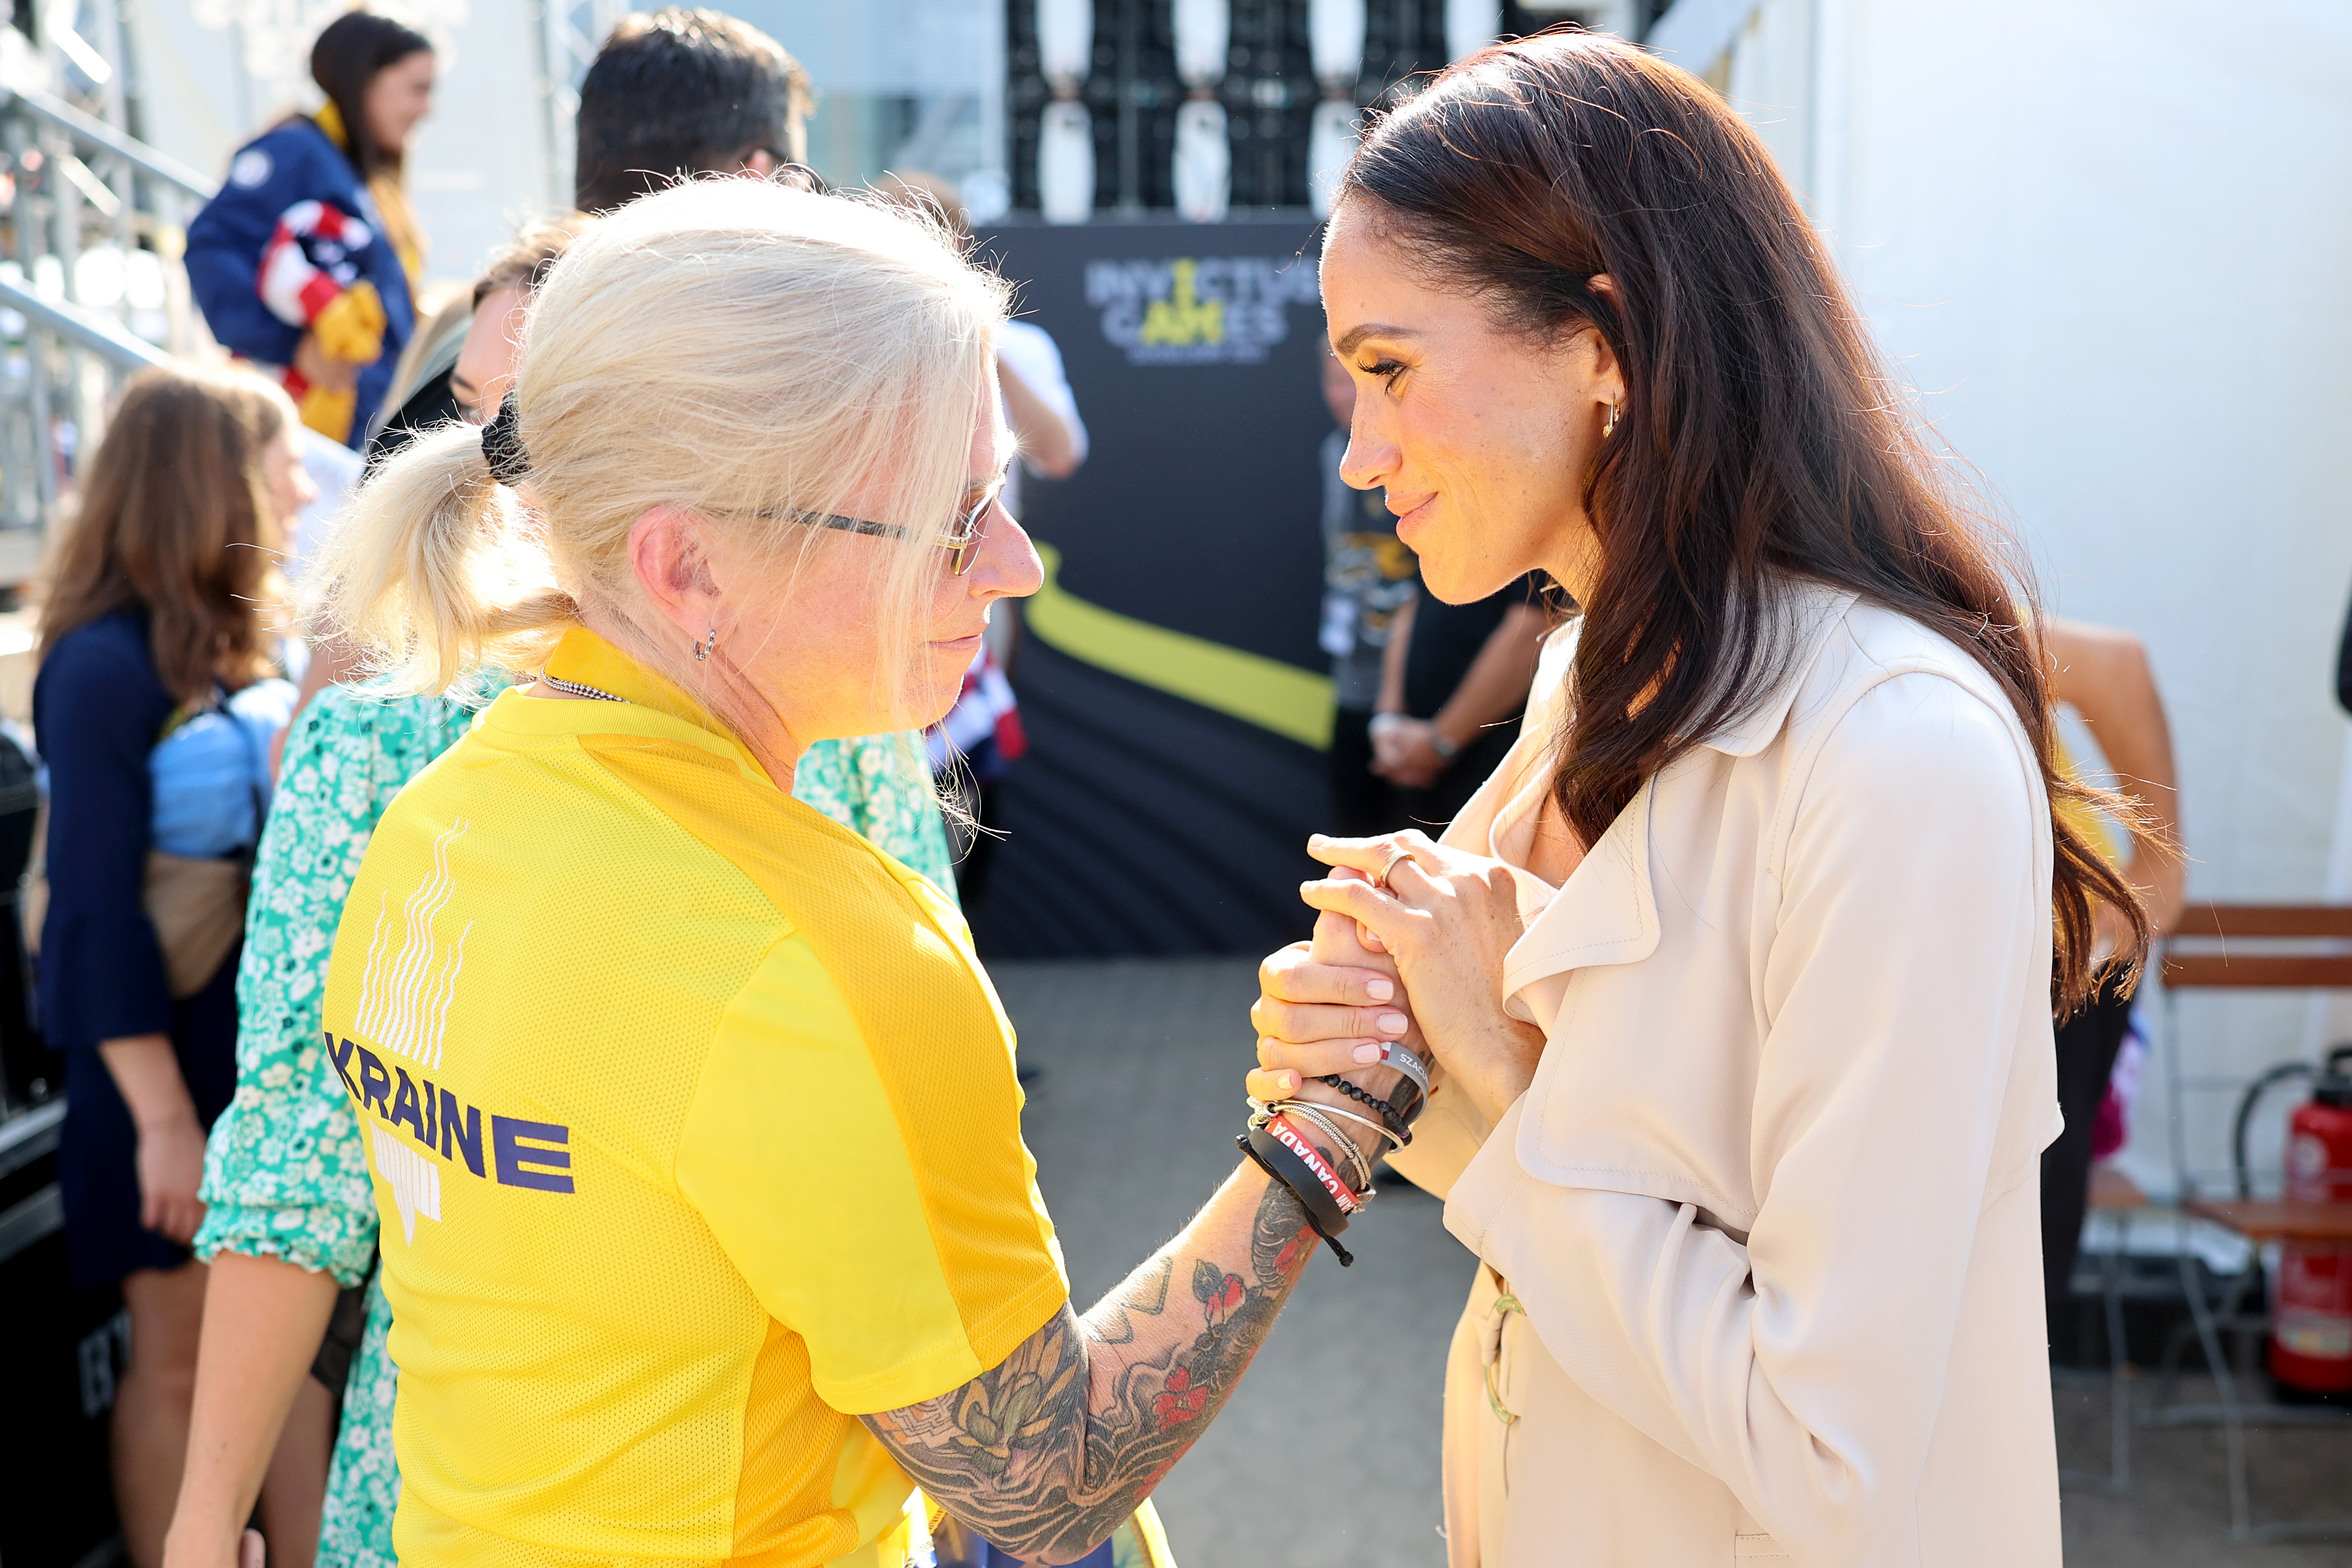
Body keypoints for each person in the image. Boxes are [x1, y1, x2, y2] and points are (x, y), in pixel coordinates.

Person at [263, 179, 1383, 1568]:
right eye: (946, 514)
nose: (1016, 562)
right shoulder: (816, 949)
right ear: (687, 565)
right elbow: (1043, 1483)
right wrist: (1331, 1122)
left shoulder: (440, 823)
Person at [1245, 32, 2149, 1566]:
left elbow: (1827, 1448)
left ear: (1604, 342)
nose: (1360, 452)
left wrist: (1485, 1061)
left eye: (1389, 372)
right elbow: (1577, 1188)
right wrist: (1369, 1061)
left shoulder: (1892, 752)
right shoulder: (1588, 671)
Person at [165, 217, 963, 1568]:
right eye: (488, 414)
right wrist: (203, 1515)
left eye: (549, 418)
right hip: (452, 1490)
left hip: (792, 1474)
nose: (512, 462)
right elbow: (296, 1166)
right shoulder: (374, 739)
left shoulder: (841, 720)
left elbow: (931, 1113)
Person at [33, 364, 320, 1568]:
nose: (298, 489)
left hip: (254, 1051)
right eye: (274, 463)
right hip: (154, 1068)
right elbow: (92, 909)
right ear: (203, 482)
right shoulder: (97, 667)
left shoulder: (232, 648)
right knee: (182, 1353)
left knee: (296, 1351)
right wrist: (161, 1120)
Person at [879, 170, 1088, 908]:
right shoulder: (852, 344)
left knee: (964, 779)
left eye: (931, 234)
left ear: (961, 245)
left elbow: (1060, 450)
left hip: (978, 595)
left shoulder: (1016, 345)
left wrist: (973, 337)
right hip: (874, 600)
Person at [186, 10, 432, 448]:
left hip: (369, 427)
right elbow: (211, 247)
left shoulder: (353, 170)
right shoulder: (297, 151)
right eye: (417, 89)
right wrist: (291, 345)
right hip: (320, 437)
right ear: (364, 81)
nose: (426, 110)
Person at [2040, 616, 2183, 1340]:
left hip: (2055, 968)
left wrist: (2153, 881)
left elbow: (2113, 662)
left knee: (2018, 1271)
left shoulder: (1912, 595)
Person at [573, 7, 813, 214]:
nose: (806, 187)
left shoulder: (544, 262)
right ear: (754, 177)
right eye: (797, 171)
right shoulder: (820, 263)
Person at [1317, 346, 1417, 837]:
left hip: (1420, 690)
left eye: (1359, 381)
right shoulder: (1329, 453)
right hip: (1351, 671)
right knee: (1353, 834)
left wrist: (1392, 702)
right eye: (1334, 380)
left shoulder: (1414, 454)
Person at [1367, 575, 1546, 829]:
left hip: (1485, 757)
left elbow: (1532, 628)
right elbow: (1414, 601)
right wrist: (1389, 715)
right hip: (1411, 745)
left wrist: (1441, 741)